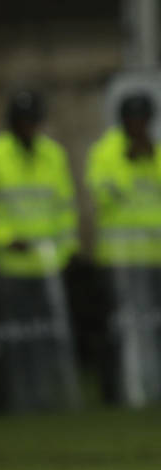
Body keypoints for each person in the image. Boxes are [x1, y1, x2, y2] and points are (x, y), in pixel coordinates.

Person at [0, 90, 81, 413]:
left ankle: (46, 397)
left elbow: (65, 207)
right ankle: (13, 399)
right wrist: (5, 238)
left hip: (47, 267)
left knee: (45, 338)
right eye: (23, 121)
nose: (29, 127)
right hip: (9, 266)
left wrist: (66, 251)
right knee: (11, 339)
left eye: (33, 121)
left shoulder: (53, 155)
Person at [85, 92, 161, 406]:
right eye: (133, 120)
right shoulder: (106, 152)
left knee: (155, 326)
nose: (138, 126)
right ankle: (118, 391)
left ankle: (153, 386)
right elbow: (102, 193)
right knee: (118, 329)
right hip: (118, 258)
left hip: (155, 256)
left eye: (143, 120)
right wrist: (131, 160)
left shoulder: (157, 153)